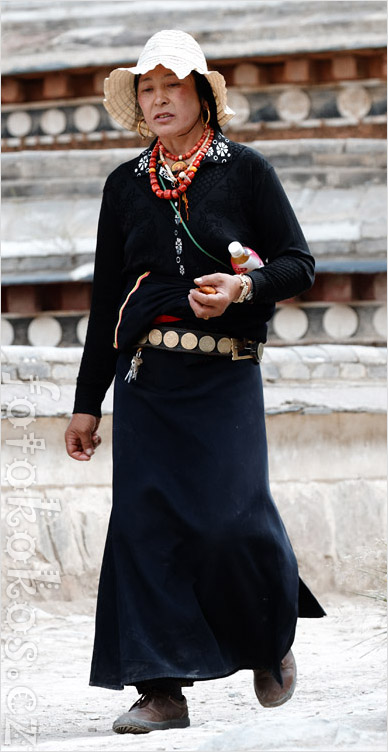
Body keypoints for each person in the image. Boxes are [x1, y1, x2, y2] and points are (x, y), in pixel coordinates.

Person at [65, 29, 325, 736]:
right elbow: (103, 303)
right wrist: (87, 404)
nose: (157, 100)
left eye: (170, 86)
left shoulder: (245, 171)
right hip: (146, 380)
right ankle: (160, 691)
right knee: (145, 533)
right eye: (146, 89)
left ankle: (269, 640)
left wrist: (243, 289)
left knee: (231, 524)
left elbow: (300, 264)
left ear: (202, 95)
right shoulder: (124, 186)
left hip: (225, 378)